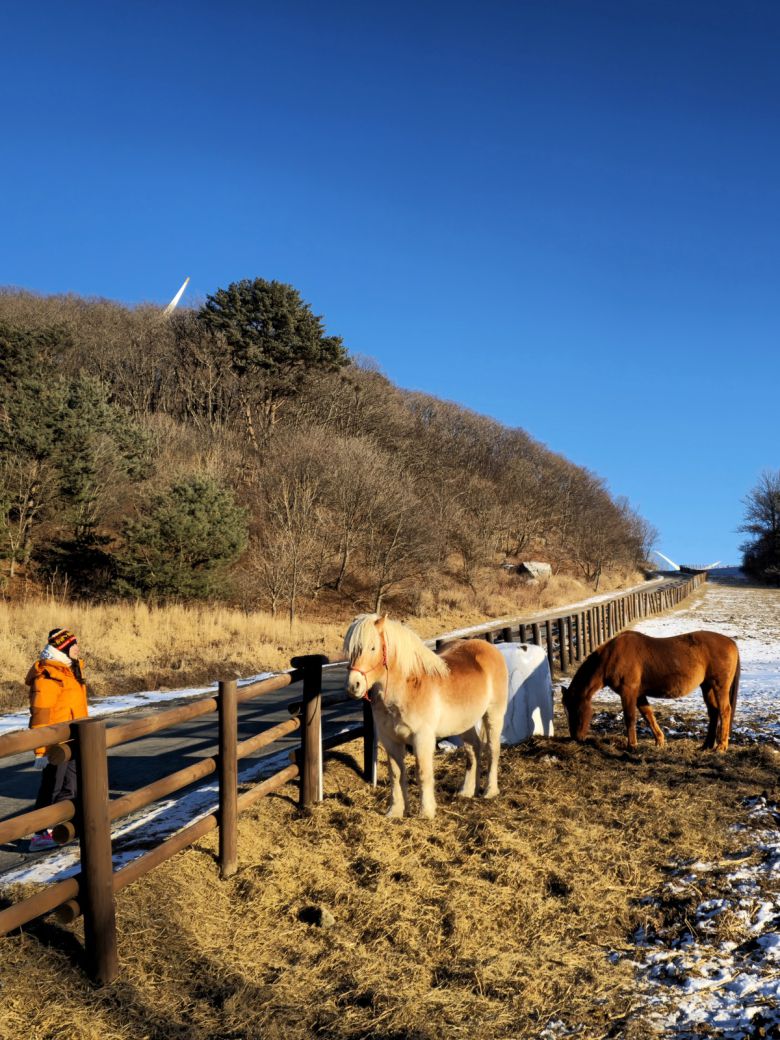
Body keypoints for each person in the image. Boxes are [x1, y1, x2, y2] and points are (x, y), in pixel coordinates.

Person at [26, 628, 89, 851]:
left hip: (72, 741)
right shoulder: (48, 675)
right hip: (55, 744)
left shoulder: (71, 670)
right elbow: (41, 713)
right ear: (62, 648)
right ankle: (39, 835)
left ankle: (62, 828)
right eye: (74, 645)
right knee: (52, 787)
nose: (78, 648)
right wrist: (41, 750)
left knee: (71, 786)